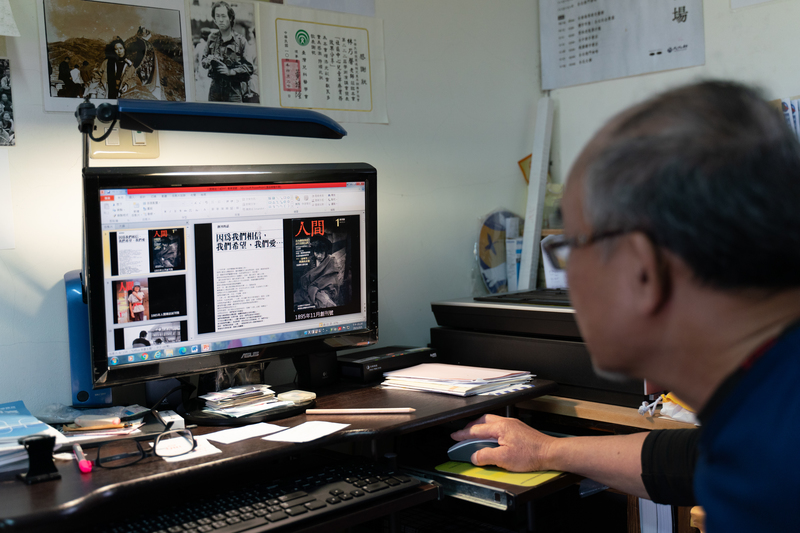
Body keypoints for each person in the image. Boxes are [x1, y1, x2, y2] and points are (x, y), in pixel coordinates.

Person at [450, 81, 800, 532]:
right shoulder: (767, 407)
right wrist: (546, 451)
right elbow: (695, 457)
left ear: (641, 269)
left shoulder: (772, 471)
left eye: (571, 248)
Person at [200, 1, 254, 102]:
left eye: (224, 16)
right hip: (214, 90)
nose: (221, 20)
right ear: (214, 20)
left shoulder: (241, 41)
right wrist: (208, 61)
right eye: (217, 16)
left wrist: (230, 72)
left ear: (230, 18)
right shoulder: (211, 38)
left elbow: (249, 68)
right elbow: (203, 61)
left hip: (233, 91)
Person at [294, 236, 340, 308]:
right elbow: (305, 278)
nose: (319, 256)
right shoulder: (311, 261)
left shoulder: (331, 261)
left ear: (325, 251)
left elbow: (332, 280)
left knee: (324, 300)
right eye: (317, 253)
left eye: (322, 253)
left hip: (326, 289)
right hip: (310, 289)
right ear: (313, 252)